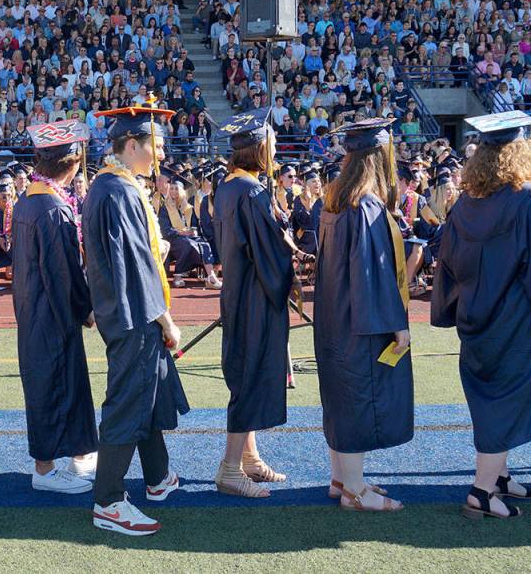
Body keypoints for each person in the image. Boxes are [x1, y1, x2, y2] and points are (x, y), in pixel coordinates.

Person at [431, 112, 531, 519]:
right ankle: (482, 491)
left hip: (475, 319)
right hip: (516, 325)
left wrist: (457, 308)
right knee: (506, 400)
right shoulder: (528, 201)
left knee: (489, 398)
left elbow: (446, 262)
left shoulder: (467, 203)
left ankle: (501, 476)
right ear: (522, 152)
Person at [83, 107, 189, 536]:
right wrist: (166, 320)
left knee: (149, 394)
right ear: (132, 145)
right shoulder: (119, 191)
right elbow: (135, 266)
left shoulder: (111, 185)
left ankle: (158, 477)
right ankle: (108, 500)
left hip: (125, 311)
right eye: (156, 145)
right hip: (134, 316)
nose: (160, 154)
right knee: (129, 402)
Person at [314, 117, 412, 512]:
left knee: (340, 398)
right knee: (357, 397)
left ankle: (342, 478)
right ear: (378, 158)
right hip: (360, 320)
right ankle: (354, 492)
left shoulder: (334, 200)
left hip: (334, 317)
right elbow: (372, 272)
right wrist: (396, 323)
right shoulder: (367, 205)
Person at [212, 108, 295, 498]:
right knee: (249, 378)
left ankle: (249, 458)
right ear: (259, 149)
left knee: (245, 372)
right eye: (272, 142)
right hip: (255, 297)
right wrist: (289, 252)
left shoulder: (228, 186)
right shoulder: (252, 192)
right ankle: (230, 468)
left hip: (236, 293)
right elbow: (268, 255)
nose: (276, 147)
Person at [12, 119, 98, 495]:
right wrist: (86, 309)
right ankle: (45, 470)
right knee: (54, 385)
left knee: (48, 384)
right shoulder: (52, 209)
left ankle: (75, 453)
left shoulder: (29, 200)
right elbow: (64, 273)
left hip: (33, 309)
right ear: (74, 163)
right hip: (52, 313)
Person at [158, 172, 222, 288]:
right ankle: (178, 275)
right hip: (172, 239)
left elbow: (195, 225)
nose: (173, 191)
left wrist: (193, 231)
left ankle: (211, 278)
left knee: (204, 243)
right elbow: (164, 229)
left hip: (189, 237)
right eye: (171, 188)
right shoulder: (165, 208)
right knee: (188, 244)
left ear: (182, 191)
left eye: (176, 189)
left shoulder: (188, 208)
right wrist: (180, 232)